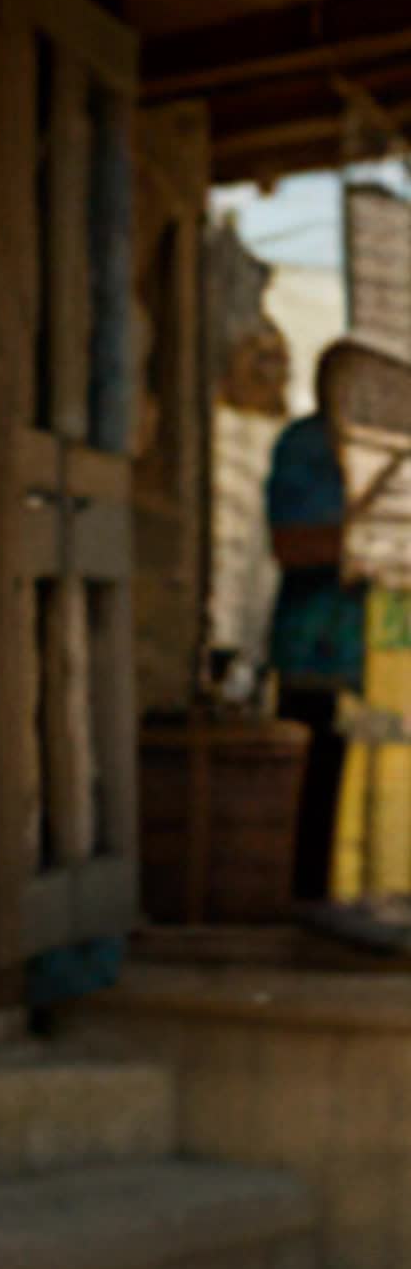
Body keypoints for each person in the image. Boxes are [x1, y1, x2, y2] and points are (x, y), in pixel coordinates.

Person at [266, 345, 366, 900]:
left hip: (383, 658)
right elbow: (289, 545)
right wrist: (364, 543)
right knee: (319, 785)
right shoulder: (304, 445)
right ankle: (309, 902)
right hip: (318, 647)